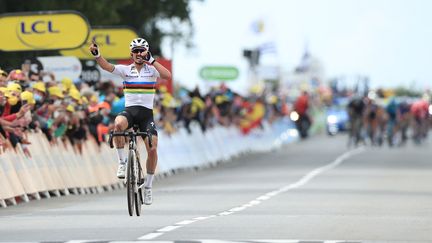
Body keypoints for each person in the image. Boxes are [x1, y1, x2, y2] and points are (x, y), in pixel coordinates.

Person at [89, 38, 171, 205]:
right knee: (118, 124)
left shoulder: (152, 70)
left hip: (147, 115)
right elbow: (107, 66)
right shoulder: (126, 70)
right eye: (135, 51)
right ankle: (122, 162)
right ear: (131, 53)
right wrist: (98, 55)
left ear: (146, 52)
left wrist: (153, 61)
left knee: (153, 148)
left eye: (142, 50)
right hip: (130, 111)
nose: (138, 54)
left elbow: (167, 75)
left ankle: (148, 186)